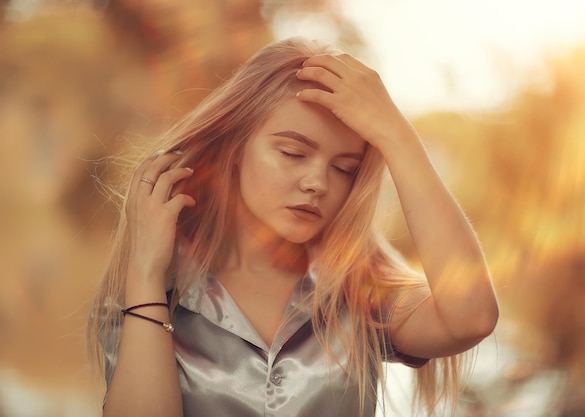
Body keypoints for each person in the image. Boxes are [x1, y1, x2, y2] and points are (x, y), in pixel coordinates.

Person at [88, 37, 499, 417]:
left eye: (344, 169)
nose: (317, 183)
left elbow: (472, 319)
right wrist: (144, 272)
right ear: (234, 148)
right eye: (292, 152)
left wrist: (396, 135)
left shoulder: (363, 294)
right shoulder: (152, 291)